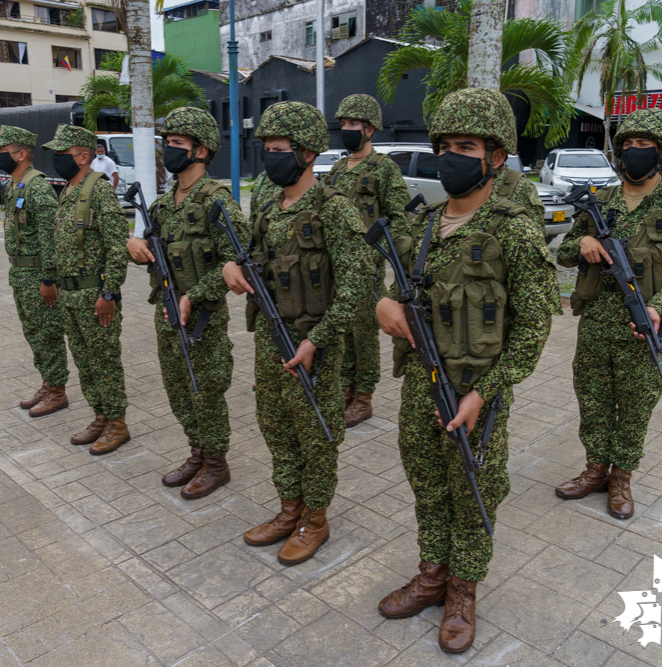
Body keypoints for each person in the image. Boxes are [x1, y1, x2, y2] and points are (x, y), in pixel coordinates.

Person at [374, 88, 560, 654]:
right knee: (427, 485)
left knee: (474, 491)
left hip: (477, 392)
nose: (451, 156)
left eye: (467, 146)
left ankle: (462, 592)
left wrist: (488, 391)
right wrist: (383, 308)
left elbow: (534, 326)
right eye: (445, 145)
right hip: (420, 385)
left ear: (496, 156)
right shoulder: (422, 226)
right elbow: (394, 294)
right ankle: (432, 574)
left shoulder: (514, 229)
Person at [223, 101, 371, 566]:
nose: (270, 157)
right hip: (271, 339)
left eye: (279, 149)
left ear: (307, 154)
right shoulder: (268, 208)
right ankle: (289, 509)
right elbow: (248, 260)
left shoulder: (335, 210)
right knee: (277, 429)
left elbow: (358, 284)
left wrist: (318, 339)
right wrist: (228, 269)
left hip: (314, 347)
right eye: (266, 149)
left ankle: (316, 519)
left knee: (316, 436)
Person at [555, 108, 662, 520]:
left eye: (645, 146)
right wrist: (584, 240)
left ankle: (621, 478)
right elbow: (566, 253)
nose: (634, 152)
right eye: (628, 145)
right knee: (592, 398)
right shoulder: (599, 201)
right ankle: (595, 469)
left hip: (642, 326)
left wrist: (660, 307)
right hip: (596, 322)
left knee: (636, 405)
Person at [126, 107, 249, 499]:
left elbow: (240, 264)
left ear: (200, 150)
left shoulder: (218, 202)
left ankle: (217, 463)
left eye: (176, 143)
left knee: (204, 391)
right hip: (166, 311)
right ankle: (197, 452)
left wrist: (193, 296)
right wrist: (133, 247)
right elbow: (147, 248)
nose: (168, 150)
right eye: (167, 143)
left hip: (202, 319)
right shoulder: (163, 204)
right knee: (178, 390)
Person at [322, 94, 410, 427]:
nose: (346, 130)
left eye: (353, 125)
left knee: (363, 335)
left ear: (369, 129)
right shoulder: (336, 169)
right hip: (336, 268)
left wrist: (389, 260)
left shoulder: (384, 169)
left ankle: (363, 397)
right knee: (342, 332)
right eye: (343, 124)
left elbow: (399, 219)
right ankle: (346, 389)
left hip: (367, 270)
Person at [43, 124, 131, 455]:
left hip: (95, 298)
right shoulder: (67, 191)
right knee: (84, 362)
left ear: (83, 156)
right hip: (69, 296)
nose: (55, 159)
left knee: (105, 362)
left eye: (61, 154)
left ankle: (118, 424)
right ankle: (101, 417)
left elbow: (116, 246)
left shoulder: (100, 190)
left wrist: (109, 293)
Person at [0, 126, 67, 417]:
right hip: (20, 274)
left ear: (21, 155)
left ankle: (58, 391)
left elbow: (50, 239)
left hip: (37, 276)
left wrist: (49, 279)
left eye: (2, 150)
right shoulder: (13, 187)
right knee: (33, 332)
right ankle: (47, 383)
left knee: (48, 333)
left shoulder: (39, 189)